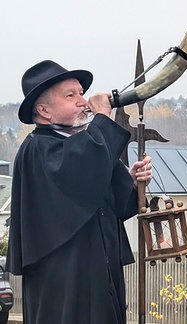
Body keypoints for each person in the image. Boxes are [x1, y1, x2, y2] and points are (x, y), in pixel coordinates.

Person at [6, 60, 152, 324]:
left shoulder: (79, 147)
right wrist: (102, 118)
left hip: (99, 276)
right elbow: (79, 172)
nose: (83, 101)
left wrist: (130, 182)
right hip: (64, 283)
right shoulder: (37, 149)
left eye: (81, 93)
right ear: (44, 110)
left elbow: (103, 199)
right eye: (70, 95)